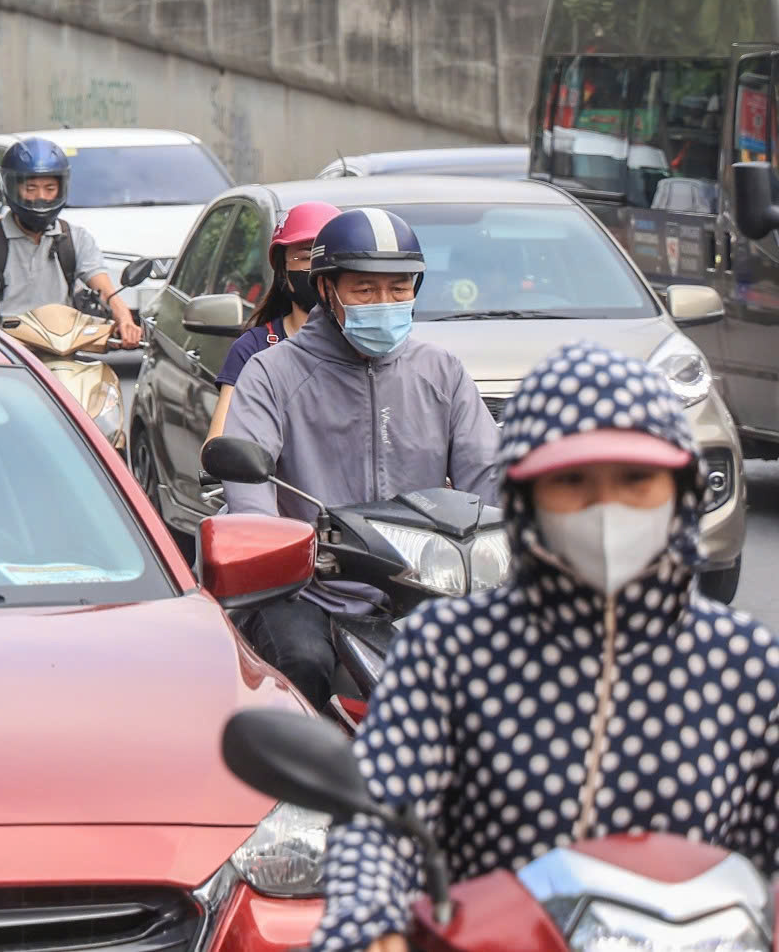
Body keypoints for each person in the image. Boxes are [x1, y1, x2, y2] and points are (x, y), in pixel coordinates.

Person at [307, 340, 779, 952]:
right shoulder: (451, 651)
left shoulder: (743, 666)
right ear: (526, 501)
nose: (606, 507)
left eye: (636, 480)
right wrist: (372, 928)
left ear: (680, 493)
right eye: (573, 481)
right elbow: (380, 820)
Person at [222, 206, 502, 708]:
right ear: (327, 289)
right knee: (299, 668)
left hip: (429, 587)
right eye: (365, 290)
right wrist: (273, 552)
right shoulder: (271, 373)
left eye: (399, 288)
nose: (385, 301)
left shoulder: (442, 373)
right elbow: (250, 485)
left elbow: (488, 473)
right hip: (309, 590)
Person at [0, 138, 144, 346]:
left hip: (62, 352)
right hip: (3, 355)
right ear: (12, 188)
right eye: (31, 188)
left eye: (50, 188)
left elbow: (105, 288)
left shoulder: (75, 239)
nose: (41, 197)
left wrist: (125, 320)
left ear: (62, 188)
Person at [205, 201, 339, 443]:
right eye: (307, 257)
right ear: (282, 272)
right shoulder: (255, 349)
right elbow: (220, 441)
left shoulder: (366, 346)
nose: (319, 270)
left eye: (329, 258)